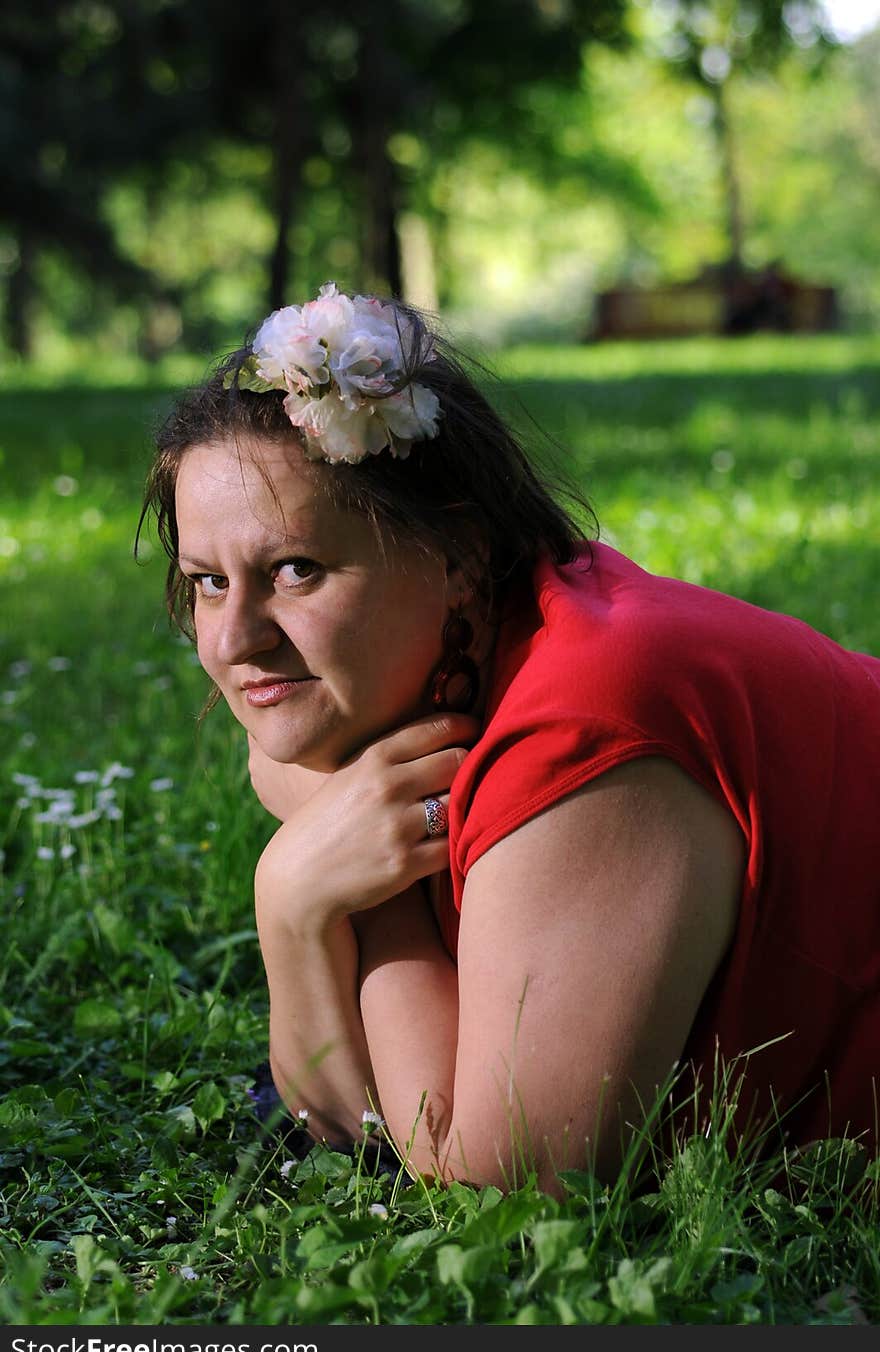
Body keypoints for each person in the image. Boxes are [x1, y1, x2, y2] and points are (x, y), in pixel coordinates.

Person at [139, 283, 880, 1199]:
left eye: (296, 570)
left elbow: (505, 1190)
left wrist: (374, 886)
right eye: (207, 582)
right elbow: (339, 1121)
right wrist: (291, 900)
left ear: (456, 556)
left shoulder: (586, 719)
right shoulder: (388, 700)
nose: (231, 639)